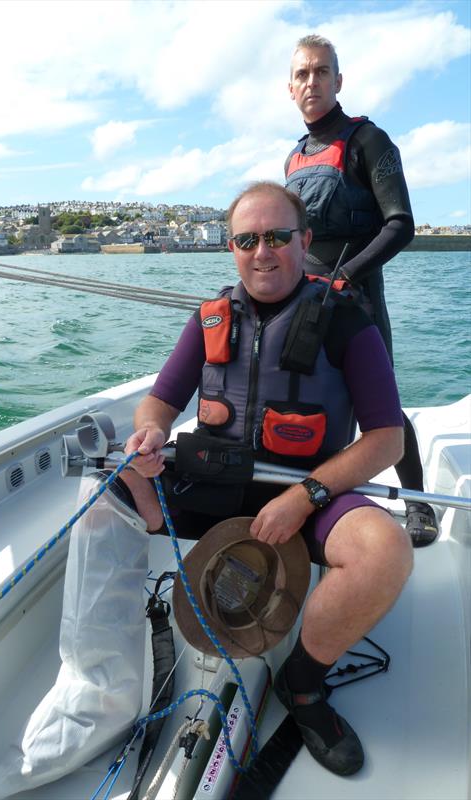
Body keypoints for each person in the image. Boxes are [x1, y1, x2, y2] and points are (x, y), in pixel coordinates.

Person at [119, 181, 413, 777]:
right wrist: (148, 437)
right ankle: (112, 668)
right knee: (104, 490)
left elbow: (388, 439)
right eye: (247, 239)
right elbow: (158, 403)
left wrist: (305, 498)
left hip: (309, 493)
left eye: (278, 236)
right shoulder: (208, 321)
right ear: (231, 249)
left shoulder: (346, 322)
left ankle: (302, 682)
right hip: (214, 486)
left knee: (386, 551)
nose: (263, 251)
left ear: (304, 242)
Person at [284, 34, 438, 547]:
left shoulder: (369, 140)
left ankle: (419, 503)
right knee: (313, 401)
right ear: (290, 87)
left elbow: (401, 225)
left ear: (338, 80)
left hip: (358, 299)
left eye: (321, 72)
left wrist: (346, 276)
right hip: (305, 302)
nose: (312, 81)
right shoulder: (293, 159)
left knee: (383, 405)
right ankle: (316, 497)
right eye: (303, 74)